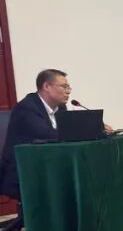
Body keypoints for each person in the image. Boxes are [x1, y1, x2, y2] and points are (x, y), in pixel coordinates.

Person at [0, 70, 70, 220]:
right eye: (64, 86)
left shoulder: (61, 108)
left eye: (68, 87)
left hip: (46, 165)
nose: (68, 91)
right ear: (47, 86)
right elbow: (48, 134)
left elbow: (65, 135)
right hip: (21, 171)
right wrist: (80, 129)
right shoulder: (27, 108)